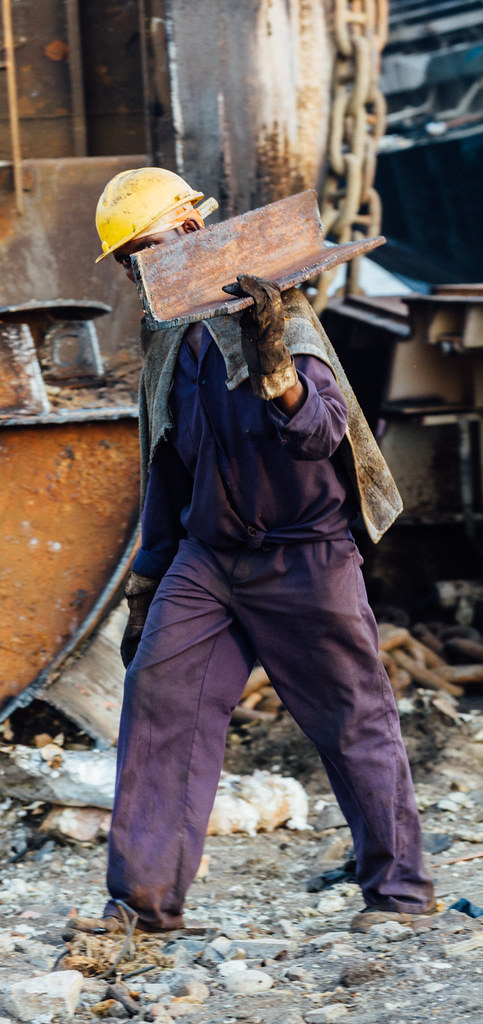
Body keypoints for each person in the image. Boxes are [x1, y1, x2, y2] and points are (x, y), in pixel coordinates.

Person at [67, 166, 435, 938]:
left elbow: (321, 432)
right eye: (131, 256)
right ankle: (141, 906)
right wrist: (148, 581)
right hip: (207, 561)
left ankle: (399, 897)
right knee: (159, 703)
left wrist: (276, 376)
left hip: (305, 557)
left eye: (149, 246)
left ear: (194, 233)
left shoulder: (279, 314)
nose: (142, 268)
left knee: (351, 718)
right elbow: (165, 465)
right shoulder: (167, 339)